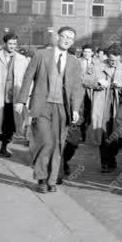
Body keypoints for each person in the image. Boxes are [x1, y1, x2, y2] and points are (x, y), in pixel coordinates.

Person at [14, 27, 84, 193]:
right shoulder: (41, 55)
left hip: (62, 107)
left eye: (71, 38)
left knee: (58, 144)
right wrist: (21, 100)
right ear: (57, 37)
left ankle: (51, 179)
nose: (67, 40)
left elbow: (76, 87)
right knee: (46, 142)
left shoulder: (74, 61)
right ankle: (41, 178)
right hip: (42, 105)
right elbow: (28, 76)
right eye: (65, 36)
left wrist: (75, 108)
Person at [82, 43, 122, 173]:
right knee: (104, 133)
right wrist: (97, 83)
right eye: (110, 59)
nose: (113, 62)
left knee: (119, 136)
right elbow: (85, 80)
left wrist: (121, 86)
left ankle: (112, 156)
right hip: (102, 104)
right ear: (107, 57)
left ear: (120, 57)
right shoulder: (97, 66)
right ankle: (105, 162)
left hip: (118, 104)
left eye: (116, 60)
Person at [0, 32, 29, 157]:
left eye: (15, 44)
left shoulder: (21, 59)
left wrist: (23, 95)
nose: (12, 46)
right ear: (5, 43)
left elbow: (26, 78)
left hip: (14, 97)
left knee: (10, 123)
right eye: (10, 43)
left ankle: (4, 147)